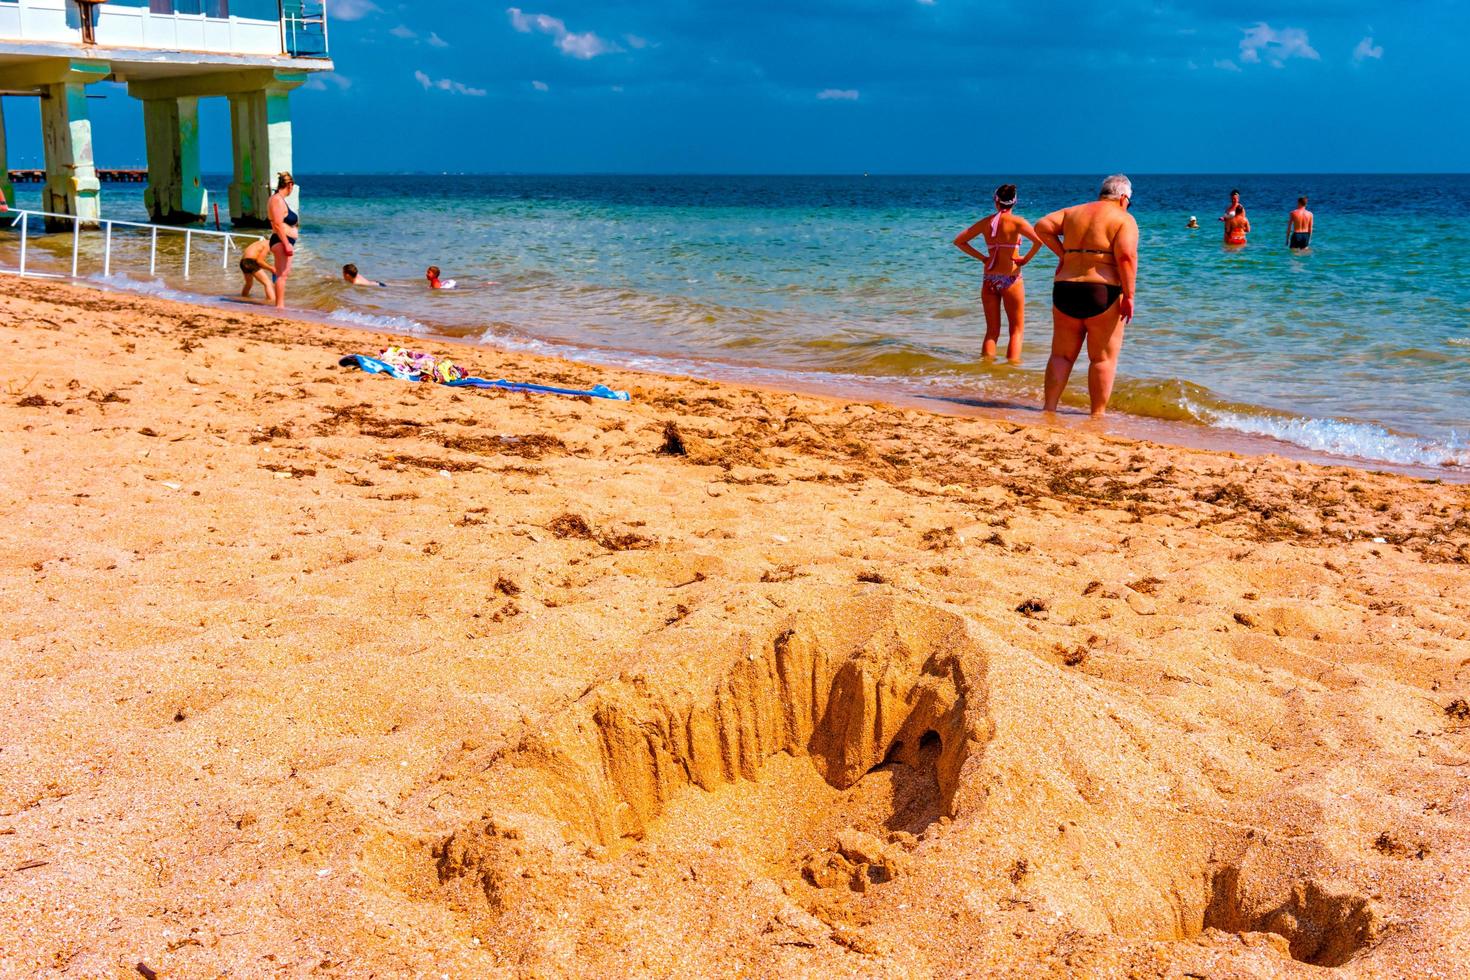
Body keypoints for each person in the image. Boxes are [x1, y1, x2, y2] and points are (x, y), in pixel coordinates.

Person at [1033, 173, 1139, 418]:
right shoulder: (1124, 219)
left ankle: (1049, 409)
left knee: (1061, 355)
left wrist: (1063, 255)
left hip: (1065, 288)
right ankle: (1097, 415)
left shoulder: (1073, 211)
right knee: (1102, 359)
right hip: (1102, 291)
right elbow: (1125, 257)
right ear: (1124, 198)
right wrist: (1130, 296)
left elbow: (1041, 227)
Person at [952, 183, 1043, 362]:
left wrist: (983, 258)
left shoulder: (987, 222)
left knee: (992, 331)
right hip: (1011, 279)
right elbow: (1039, 242)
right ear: (1014, 202)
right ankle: (1010, 374)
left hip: (989, 279)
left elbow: (959, 241)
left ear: (996, 201)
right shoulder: (1018, 222)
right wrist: (1026, 259)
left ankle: (986, 370)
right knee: (1016, 330)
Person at [267, 172, 299, 310]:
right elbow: (278, 225)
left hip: (283, 240)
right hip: (281, 241)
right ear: (290, 185)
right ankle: (279, 306)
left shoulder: (278, 199)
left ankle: (279, 305)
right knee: (282, 275)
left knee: (282, 274)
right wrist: (286, 244)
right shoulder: (277, 200)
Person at [238, 237, 276, 304]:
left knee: (249, 284)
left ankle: (243, 298)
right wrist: (271, 268)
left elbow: (256, 262)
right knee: (267, 283)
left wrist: (269, 268)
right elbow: (259, 261)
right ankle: (272, 301)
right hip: (250, 261)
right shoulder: (268, 244)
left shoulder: (261, 243)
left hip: (243, 262)